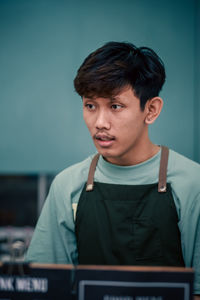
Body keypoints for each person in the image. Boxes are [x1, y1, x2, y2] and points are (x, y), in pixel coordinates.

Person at [26, 41, 200, 298]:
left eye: (115, 106)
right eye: (90, 106)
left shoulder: (192, 184)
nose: (100, 123)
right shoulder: (68, 185)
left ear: (151, 110)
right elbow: (45, 287)